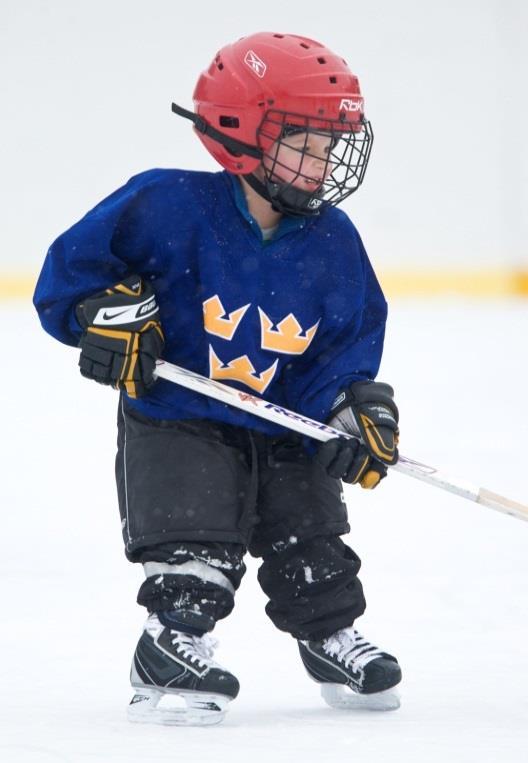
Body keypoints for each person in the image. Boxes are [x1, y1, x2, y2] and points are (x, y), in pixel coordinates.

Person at [33, 31, 401, 726]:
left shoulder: (334, 241)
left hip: (282, 420)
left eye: (329, 144)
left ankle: (329, 635)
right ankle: (171, 643)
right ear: (241, 132)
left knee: (311, 532)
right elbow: (68, 279)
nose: (323, 161)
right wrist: (101, 315)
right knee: (193, 534)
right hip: (179, 412)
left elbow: (343, 348)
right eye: (305, 141)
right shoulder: (165, 204)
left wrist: (355, 408)